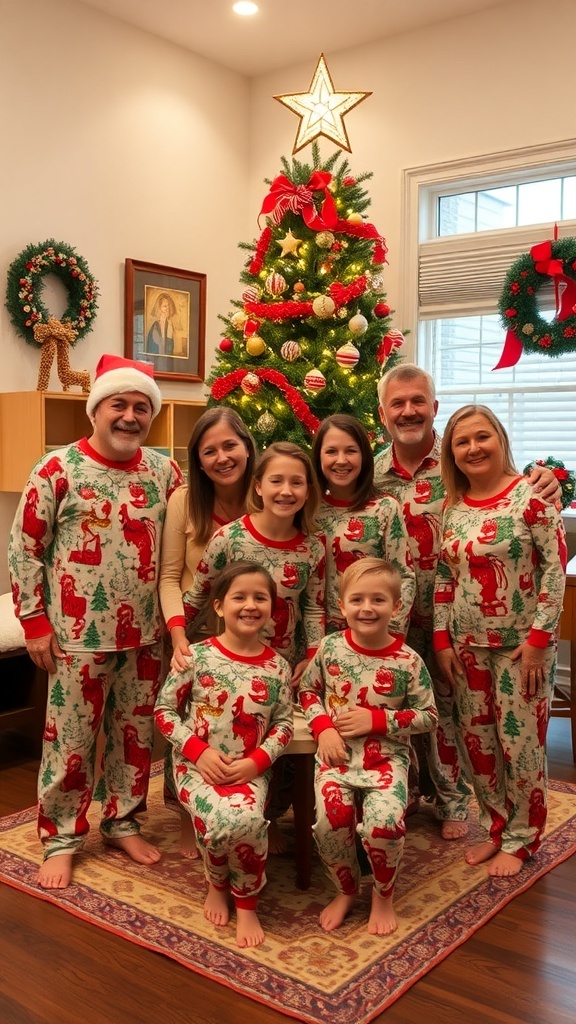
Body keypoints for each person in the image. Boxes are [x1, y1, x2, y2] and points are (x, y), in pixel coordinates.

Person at [8, 354, 182, 890]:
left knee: (134, 735)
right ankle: (60, 836)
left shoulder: (165, 471)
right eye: (119, 405)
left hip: (147, 635)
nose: (130, 417)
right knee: (72, 738)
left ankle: (122, 820)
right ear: (96, 411)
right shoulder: (57, 469)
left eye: (140, 408)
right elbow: (25, 549)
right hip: (77, 638)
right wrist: (34, 621)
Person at [374, 363, 561, 840]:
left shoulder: (474, 468)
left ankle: (464, 807)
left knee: (484, 730)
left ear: (434, 408)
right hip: (398, 619)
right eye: (398, 403)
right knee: (450, 720)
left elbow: (550, 563)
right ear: (383, 413)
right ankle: (431, 797)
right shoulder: (371, 474)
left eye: (418, 401)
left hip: (496, 633)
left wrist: (547, 479)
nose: (409, 411)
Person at [433, 404, 566, 876]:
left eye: (482, 436)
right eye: (462, 442)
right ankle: (497, 827)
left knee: (521, 745)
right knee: (479, 743)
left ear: (500, 439)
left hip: (519, 649)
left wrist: (538, 641)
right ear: (452, 452)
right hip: (467, 647)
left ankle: (523, 838)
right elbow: (445, 577)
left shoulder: (530, 498)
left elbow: (554, 570)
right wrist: (442, 639)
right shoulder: (453, 506)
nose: (473, 448)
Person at [154, 561, 294, 948]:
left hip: (250, 771)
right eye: (239, 597)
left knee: (246, 823)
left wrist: (258, 762)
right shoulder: (194, 657)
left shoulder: (278, 667)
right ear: (218, 606)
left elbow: (284, 724)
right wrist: (198, 753)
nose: (250, 605)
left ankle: (247, 903)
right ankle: (217, 881)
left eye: (260, 597)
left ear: (271, 608)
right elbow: (164, 713)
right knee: (220, 822)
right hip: (196, 768)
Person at [299, 558, 438, 935]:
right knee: (330, 824)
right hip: (336, 757)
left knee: (385, 827)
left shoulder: (408, 660)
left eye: (378, 600)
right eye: (357, 599)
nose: (366, 608)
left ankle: (382, 894)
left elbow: (428, 715)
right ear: (341, 606)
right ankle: (346, 890)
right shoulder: (329, 648)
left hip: (386, 761)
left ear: (395, 607)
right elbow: (307, 690)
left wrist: (378, 721)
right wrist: (323, 726)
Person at [159, 407, 257, 856]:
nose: (222, 457)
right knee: (192, 727)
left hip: (253, 628)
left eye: (229, 446)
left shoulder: (265, 494)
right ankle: (187, 815)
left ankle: (251, 809)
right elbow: (168, 576)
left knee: (245, 724)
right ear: (198, 461)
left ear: (247, 447)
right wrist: (179, 637)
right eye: (209, 451)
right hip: (194, 630)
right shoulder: (184, 500)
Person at [179, 441, 325, 681]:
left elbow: (313, 608)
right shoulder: (228, 538)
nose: (286, 491)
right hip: (228, 668)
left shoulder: (312, 549)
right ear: (258, 487)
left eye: (296, 482)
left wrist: (312, 656)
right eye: (276, 481)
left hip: (283, 671)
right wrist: (177, 641)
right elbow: (198, 596)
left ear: (308, 491)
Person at [312, 413, 415, 636]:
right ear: (318, 457)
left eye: (350, 450)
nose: (341, 460)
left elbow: (403, 577)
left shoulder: (385, 508)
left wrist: (392, 635)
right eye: (331, 451)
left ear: (364, 456)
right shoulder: (309, 511)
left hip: (376, 634)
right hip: (323, 639)